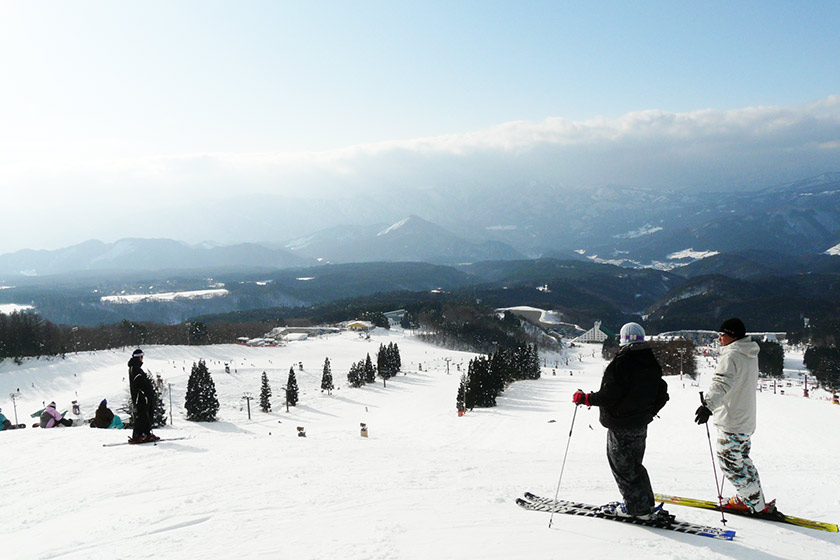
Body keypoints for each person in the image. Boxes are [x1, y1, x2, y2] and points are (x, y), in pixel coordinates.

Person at [572, 322, 670, 522]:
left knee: (623, 468)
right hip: (640, 425)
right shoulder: (650, 362)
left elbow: (608, 395)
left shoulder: (621, 363)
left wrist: (585, 399)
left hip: (620, 424)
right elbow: (662, 394)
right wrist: (649, 413)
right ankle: (645, 504)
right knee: (635, 466)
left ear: (623, 340)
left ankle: (637, 509)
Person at [695, 318, 771, 513]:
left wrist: (708, 407)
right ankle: (752, 499)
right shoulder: (749, 354)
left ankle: (754, 504)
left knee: (731, 466)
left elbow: (721, 383)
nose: (719, 338)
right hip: (745, 419)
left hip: (732, 421)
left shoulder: (732, 356)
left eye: (722, 334)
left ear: (733, 335)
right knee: (743, 461)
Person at [128, 349, 159, 443]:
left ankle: (146, 433)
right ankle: (137, 436)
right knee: (142, 415)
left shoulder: (136, 368)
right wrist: (144, 394)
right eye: (141, 357)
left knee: (147, 414)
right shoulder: (135, 369)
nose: (142, 359)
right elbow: (139, 383)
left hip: (144, 396)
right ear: (139, 357)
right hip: (140, 397)